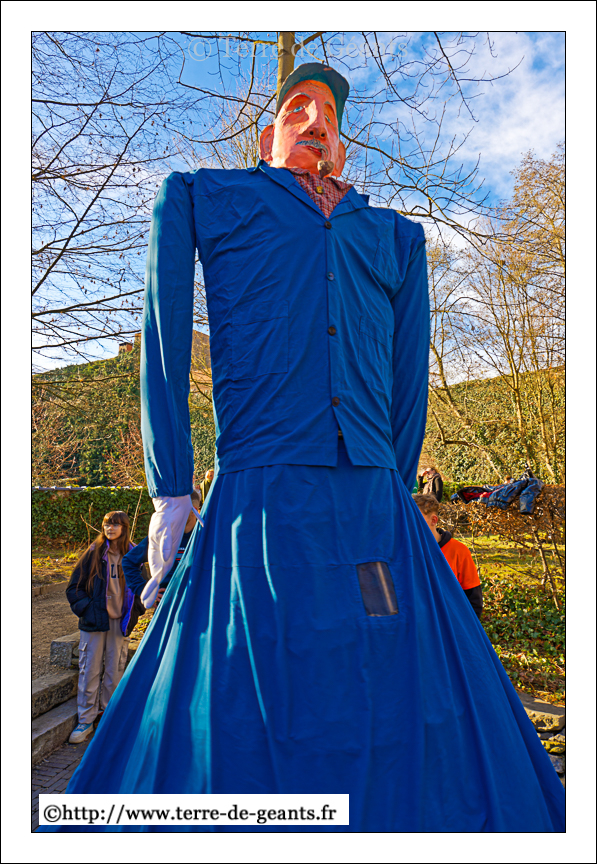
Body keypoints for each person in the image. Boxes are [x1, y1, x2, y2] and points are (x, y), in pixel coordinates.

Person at [41, 62, 563, 833]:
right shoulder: (205, 197)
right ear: (267, 138)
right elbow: (161, 329)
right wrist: (171, 487)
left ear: (342, 148)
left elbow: (407, 376)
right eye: (297, 108)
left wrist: (395, 486)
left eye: (330, 115)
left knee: (403, 688)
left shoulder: (394, 237)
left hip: (370, 501)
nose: (317, 119)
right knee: (245, 690)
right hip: (261, 491)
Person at [65, 511, 145, 744]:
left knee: (115, 671)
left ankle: (107, 719)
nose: (110, 528)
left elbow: (143, 588)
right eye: (107, 524)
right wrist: (89, 610)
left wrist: (135, 612)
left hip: (120, 623)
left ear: (125, 527)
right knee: (89, 670)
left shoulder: (135, 554)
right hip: (94, 622)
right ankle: (85, 720)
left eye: (115, 524)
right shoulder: (93, 553)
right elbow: (74, 588)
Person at [122, 491, 201, 606]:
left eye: (176, 509)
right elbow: (128, 561)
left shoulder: (205, 536)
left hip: (198, 606)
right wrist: (144, 589)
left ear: (193, 510)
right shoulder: (162, 534)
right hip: (166, 606)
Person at [413, 494, 483, 619]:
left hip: (449, 624)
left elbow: (473, 600)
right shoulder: (405, 551)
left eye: (416, 519)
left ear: (433, 520)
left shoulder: (459, 551)